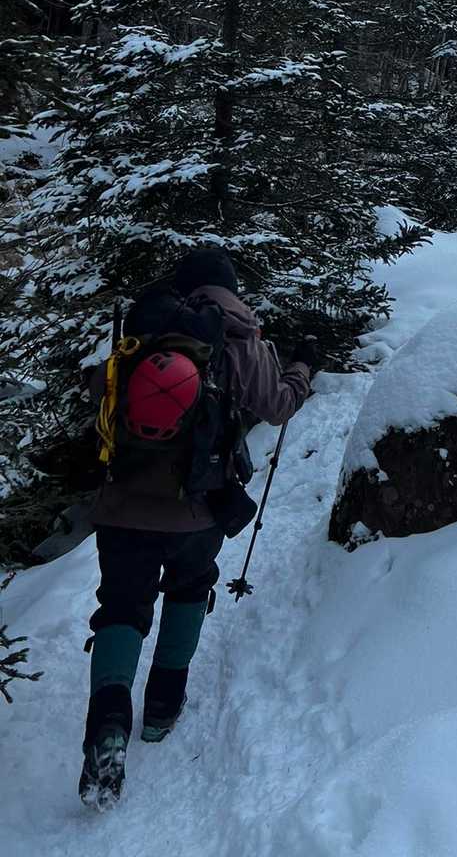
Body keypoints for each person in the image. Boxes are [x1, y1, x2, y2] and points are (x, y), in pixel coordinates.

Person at [79, 246, 316, 810]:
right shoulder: (239, 335)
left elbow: (100, 393)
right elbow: (278, 406)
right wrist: (303, 366)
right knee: (188, 590)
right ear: (229, 288)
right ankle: (161, 712)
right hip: (198, 506)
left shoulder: (144, 327)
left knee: (121, 607)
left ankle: (108, 724)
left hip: (123, 503)